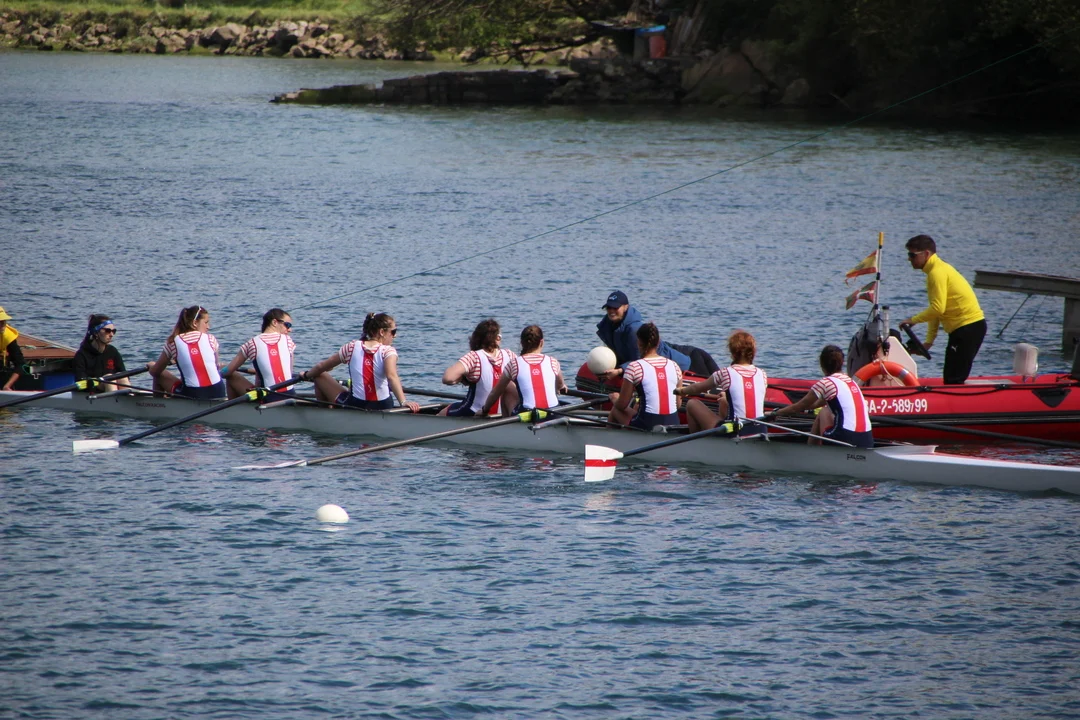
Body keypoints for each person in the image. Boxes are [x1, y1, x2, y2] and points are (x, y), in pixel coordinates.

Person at [899, 235, 986, 384]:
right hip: (962, 329)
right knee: (951, 378)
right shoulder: (934, 271)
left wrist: (913, 320)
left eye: (912, 255)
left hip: (968, 328)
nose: (909, 259)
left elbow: (937, 309)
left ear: (926, 254)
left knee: (953, 380)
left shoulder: (936, 273)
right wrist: (928, 342)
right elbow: (936, 311)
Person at [301, 312, 420, 413]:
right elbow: (392, 376)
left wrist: (306, 375)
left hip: (356, 405)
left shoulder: (351, 347)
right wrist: (403, 402)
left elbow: (321, 367)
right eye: (393, 332)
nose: (395, 336)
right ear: (381, 332)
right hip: (384, 406)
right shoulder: (388, 351)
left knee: (319, 375)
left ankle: (326, 416)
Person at [766, 344, 873, 448]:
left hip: (845, 438)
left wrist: (775, 413)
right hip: (867, 440)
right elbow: (815, 404)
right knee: (829, 411)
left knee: (823, 412)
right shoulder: (851, 382)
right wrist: (803, 408)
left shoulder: (826, 383)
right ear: (842, 363)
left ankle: (811, 451)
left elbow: (798, 407)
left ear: (822, 365)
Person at [595, 290, 718, 381]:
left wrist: (620, 370)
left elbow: (640, 362)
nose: (611, 311)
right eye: (609, 307)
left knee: (719, 388)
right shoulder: (609, 326)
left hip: (688, 361)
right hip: (674, 350)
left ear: (626, 307)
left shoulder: (634, 330)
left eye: (615, 307)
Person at [674, 330, 767, 433]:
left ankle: (696, 441)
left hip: (735, 431)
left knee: (692, 403)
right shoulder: (762, 374)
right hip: (761, 429)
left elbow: (697, 388)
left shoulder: (725, 373)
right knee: (724, 402)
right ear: (753, 351)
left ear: (732, 353)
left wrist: (681, 391)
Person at [608, 322, 684, 430]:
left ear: (639, 342)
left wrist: (614, 398)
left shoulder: (634, 367)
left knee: (616, 409)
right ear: (658, 342)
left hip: (647, 426)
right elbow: (678, 404)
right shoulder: (675, 366)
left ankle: (607, 438)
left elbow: (622, 405)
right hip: (673, 424)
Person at [440, 319, 519, 417]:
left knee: (442, 413)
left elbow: (447, 378)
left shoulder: (474, 357)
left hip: (475, 412)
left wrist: (462, 378)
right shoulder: (510, 355)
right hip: (501, 414)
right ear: (497, 338)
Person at [482, 325, 567, 415]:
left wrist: (484, 410)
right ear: (541, 342)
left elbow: (495, 392)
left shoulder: (514, 364)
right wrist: (561, 386)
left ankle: (507, 422)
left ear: (521, 343)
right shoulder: (553, 362)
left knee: (506, 387)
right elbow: (560, 385)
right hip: (554, 412)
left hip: (528, 414)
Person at [148, 305, 227, 400]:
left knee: (158, 374)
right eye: (206, 323)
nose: (208, 327)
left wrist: (151, 366)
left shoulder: (173, 342)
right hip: (219, 392)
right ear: (195, 323)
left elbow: (155, 372)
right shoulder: (211, 339)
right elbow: (216, 366)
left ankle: (158, 405)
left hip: (192, 395)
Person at [73, 314, 129, 392]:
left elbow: (124, 374)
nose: (112, 335)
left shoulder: (113, 351)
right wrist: (98, 381)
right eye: (107, 331)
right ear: (96, 332)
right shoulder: (81, 355)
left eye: (113, 331)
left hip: (109, 386)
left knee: (122, 377)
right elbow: (80, 380)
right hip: (91, 390)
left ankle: (129, 398)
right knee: (109, 379)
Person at [0, 306, 25, 391]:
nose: (2, 324)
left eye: (3, 321)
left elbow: (21, 365)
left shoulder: (8, 336)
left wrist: (7, 386)